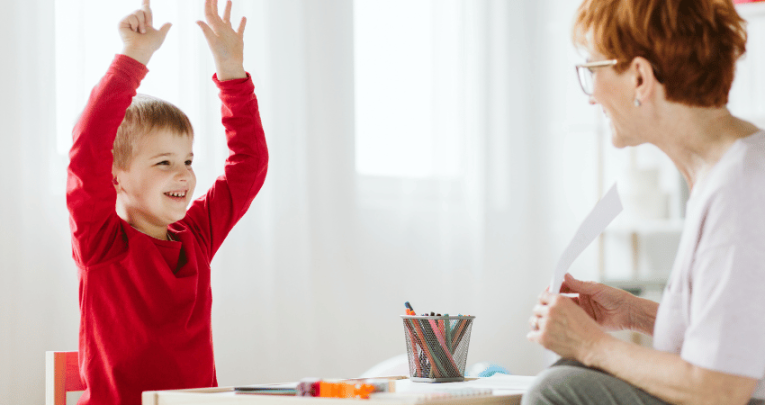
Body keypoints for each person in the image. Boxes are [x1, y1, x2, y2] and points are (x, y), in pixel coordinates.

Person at [523, 0, 765, 404]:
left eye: (592, 71)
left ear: (639, 78)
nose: (591, 96)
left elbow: (720, 389)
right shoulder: (729, 172)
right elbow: (743, 339)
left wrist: (591, 345)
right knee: (571, 373)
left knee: (559, 389)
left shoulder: (741, 189)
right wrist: (635, 314)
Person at [66, 0, 267, 403]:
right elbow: (88, 150)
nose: (184, 175)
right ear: (115, 177)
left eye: (188, 161)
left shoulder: (197, 236)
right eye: (164, 162)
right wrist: (132, 59)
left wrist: (232, 71)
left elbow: (249, 165)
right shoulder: (101, 244)